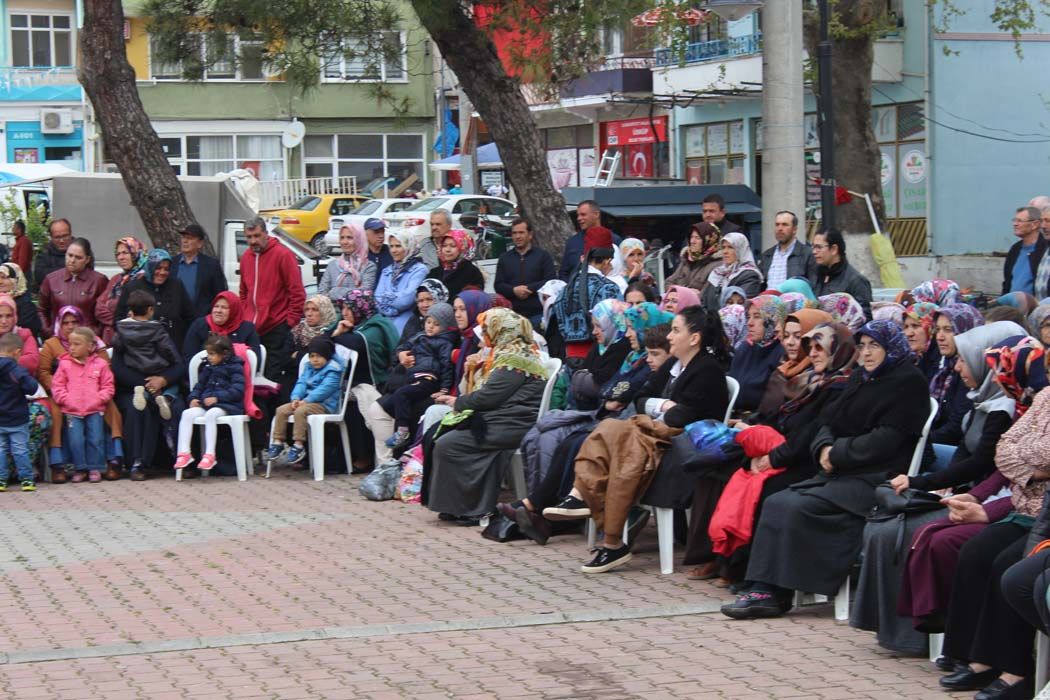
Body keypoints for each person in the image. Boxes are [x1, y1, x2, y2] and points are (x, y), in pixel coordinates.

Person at [721, 319, 929, 619]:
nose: (867, 354)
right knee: (779, 500)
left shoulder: (909, 383)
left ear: (891, 348)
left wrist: (838, 454)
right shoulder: (860, 378)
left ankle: (772, 591)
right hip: (840, 470)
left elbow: (887, 440)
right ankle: (765, 588)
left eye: (875, 346)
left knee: (793, 505)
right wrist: (825, 449)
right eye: (863, 346)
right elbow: (827, 421)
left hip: (874, 477)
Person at [850, 322, 1025, 657]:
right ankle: (891, 629)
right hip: (974, 493)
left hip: (993, 500)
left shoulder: (1005, 410)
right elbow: (965, 455)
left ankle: (926, 636)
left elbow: (988, 467)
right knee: (884, 526)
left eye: (965, 359)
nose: (958, 367)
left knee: (914, 531)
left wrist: (926, 483)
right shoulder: (985, 400)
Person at [544, 305, 731, 573]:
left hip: (682, 446)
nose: (670, 336)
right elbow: (641, 398)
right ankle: (585, 503)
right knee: (609, 429)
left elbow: (682, 417)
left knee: (625, 454)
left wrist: (659, 408)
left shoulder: (707, 369)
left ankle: (600, 523)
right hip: (655, 434)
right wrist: (663, 405)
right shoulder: (673, 365)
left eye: (676, 330)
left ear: (695, 338)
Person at [425, 308, 548, 523]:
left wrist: (458, 402)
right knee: (439, 435)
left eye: (488, 326)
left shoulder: (514, 358)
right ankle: (458, 505)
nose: (484, 332)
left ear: (502, 329)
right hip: (502, 418)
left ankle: (472, 507)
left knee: (449, 444)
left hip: (513, 423)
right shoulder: (507, 352)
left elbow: (490, 396)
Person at [38, 304, 121, 482]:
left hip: (95, 399)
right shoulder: (52, 345)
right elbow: (44, 372)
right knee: (57, 414)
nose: (70, 326)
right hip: (64, 396)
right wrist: (64, 395)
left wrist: (100, 397)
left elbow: (106, 373)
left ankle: (112, 460)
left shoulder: (94, 343)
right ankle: (59, 465)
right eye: (65, 322)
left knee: (110, 412)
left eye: (74, 321)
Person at [378, 302, 458, 451]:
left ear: (445, 326)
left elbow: (447, 366)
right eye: (428, 322)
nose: (430, 326)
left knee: (402, 395)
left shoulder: (444, 342)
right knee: (393, 400)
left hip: (428, 379)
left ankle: (403, 432)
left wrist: (445, 389)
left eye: (436, 324)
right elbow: (403, 346)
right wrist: (402, 353)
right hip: (414, 377)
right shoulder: (420, 337)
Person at [239, 217, 306, 386]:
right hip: (251, 329)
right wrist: (244, 316)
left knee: (271, 378)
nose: (253, 241)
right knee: (250, 376)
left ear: (266, 234)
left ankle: (270, 412)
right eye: (249, 237)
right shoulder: (246, 257)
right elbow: (243, 292)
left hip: (276, 326)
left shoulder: (283, 255)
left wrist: (289, 323)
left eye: (257, 235)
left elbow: (297, 293)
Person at [266, 336, 345, 467]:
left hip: (324, 404)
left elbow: (325, 389)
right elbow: (301, 383)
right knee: (281, 410)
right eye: (312, 356)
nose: (315, 360)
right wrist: (296, 398)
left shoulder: (333, 370)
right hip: (305, 401)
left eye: (319, 356)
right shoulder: (308, 367)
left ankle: (298, 445)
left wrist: (307, 400)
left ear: (327, 356)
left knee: (301, 412)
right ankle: (278, 441)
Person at [173, 334, 245, 473]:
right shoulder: (208, 368)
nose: (210, 357)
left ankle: (210, 454)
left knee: (211, 414)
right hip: (206, 403)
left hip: (227, 405)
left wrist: (217, 398)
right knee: (187, 414)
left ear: (224, 354)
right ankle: (184, 453)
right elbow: (199, 386)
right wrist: (193, 398)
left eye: (212, 354)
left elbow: (237, 391)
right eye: (208, 354)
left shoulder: (235, 367)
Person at [51, 326, 115, 484]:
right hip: (72, 411)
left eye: (77, 344)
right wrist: (66, 399)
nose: (72, 347)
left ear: (90, 347)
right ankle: (80, 468)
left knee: (96, 439)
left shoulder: (100, 364)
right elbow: (57, 386)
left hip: (95, 409)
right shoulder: (64, 364)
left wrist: (100, 398)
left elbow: (108, 385)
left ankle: (95, 467)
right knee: (75, 440)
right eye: (70, 344)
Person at [551, 227, 622, 363]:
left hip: (570, 360)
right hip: (601, 360)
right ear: (607, 261)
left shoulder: (563, 291)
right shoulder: (609, 288)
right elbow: (619, 329)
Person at [114, 289, 182, 420]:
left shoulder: (121, 329)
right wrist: (159, 381)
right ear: (150, 310)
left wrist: (153, 382)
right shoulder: (157, 329)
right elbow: (171, 354)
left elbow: (116, 345)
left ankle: (142, 393)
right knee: (174, 388)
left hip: (137, 376)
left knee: (142, 396)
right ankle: (166, 398)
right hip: (156, 371)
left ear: (131, 310)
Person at [115, 249, 195, 349]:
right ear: (149, 267)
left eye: (166, 269)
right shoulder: (132, 288)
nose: (162, 272)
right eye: (158, 268)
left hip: (173, 348)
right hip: (141, 350)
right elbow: (119, 320)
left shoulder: (176, 286)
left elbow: (190, 317)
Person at [570, 299, 631, 411]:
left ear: (613, 323)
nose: (594, 332)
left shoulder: (624, 346)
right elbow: (584, 371)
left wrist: (582, 378)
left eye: (599, 326)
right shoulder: (601, 345)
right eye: (594, 326)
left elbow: (601, 380)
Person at [729, 295, 787, 414]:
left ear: (772, 320)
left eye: (757, 316)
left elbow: (771, 404)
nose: (750, 323)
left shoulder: (781, 353)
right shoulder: (744, 348)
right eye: (748, 317)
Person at [494, 218, 556, 327]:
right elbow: (498, 284)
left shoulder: (542, 256)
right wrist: (514, 290)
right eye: (514, 233)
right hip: (512, 315)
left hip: (538, 314)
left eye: (521, 232)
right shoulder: (505, 258)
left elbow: (550, 281)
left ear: (530, 235)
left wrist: (529, 289)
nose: (517, 236)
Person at [37, 237, 108, 333]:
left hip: (88, 340)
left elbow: (106, 312)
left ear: (87, 259)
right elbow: (41, 310)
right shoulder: (51, 279)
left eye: (78, 257)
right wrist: (49, 330)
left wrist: (95, 332)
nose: (72, 260)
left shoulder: (99, 280)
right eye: (70, 255)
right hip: (58, 339)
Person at [0, 332, 39, 492]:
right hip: (17, 417)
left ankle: (1, 480)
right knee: (20, 449)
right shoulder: (16, 370)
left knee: (0, 449)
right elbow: (32, 388)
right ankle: (26, 480)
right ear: (16, 352)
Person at [375, 230, 429, 334]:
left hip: (406, 318)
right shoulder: (387, 270)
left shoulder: (419, 269)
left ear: (408, 246)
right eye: (391, 246)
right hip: (384, 317)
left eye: (398, 246)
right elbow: (377, 298)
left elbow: (406, 300)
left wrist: (387, 299)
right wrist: (392, 307)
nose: (393, 250)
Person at [95, 237, 147, 345]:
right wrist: (116, 320)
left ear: (136, 253)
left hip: (132, 339)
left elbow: (133, 312)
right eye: (118, 254)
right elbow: (99, 309)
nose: (121, 257)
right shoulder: (116, 280)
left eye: (125, 253)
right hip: (110, 338)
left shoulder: (143, 280)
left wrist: (115, 314)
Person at [811, 229, 873, 319]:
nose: (814, 252)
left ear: (834, 249)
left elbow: (865, 317)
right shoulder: (816, 274)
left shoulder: (856, 280)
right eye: (813, 247)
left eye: (819, 247)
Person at [182, 291, 261, 362]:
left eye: (224, 307)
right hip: (205, 373)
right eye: (216, 306)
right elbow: (189, 357)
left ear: (234, 310)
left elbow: (256, 360)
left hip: (237, 374)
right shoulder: (200, 325)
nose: (218, 311)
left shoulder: (247, 329)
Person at [172, 224, 227, 319]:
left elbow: (220, 294)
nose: (185, 241)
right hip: (176, 321)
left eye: (190, 238)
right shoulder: (172, 263)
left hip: (201, 321)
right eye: (183, 237)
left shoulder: (211, 266)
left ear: (200, 244)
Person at [701, 232, 764, 310]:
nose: (725, 252)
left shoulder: (750, 275)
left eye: (730, 247)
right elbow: (704, 302)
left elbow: (741, 306)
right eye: (723, 247)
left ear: (740, 249)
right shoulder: (717, 273)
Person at [758, 210, 816, 289]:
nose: (780, 228)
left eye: (785, 225)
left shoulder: (807, 254)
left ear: (794, 229)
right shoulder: (767, 255)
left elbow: (813, 285)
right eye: (777, 225)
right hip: (769, 300)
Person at [318, 224, 377, 301]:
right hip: (333, 311)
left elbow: (364, 293)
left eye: (350, 238)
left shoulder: (368, 266)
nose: (345, 242)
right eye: (342, 238)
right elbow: (321, 293)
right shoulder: (332, 265)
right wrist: (351, 292)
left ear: (359, 240)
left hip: (356, 311)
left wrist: (334, 292)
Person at [665, 222, 722, 295]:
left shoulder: (718, 266)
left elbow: (706, 295)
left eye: (697, 238)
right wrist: (687, 292)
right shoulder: (686, 260)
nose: (692, 241)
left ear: (710, 240)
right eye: (691, 237)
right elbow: (667, 283)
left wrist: (677, 290)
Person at [427, 229, 484, 300]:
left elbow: (471, 301)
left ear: (463, 248)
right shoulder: (434, 273)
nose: (447, 250)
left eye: (453, 246)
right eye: (444, 246)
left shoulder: (472, 272)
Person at [1003, 205, 1048, 295]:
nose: (1015, 224)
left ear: (1034, 224)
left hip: (1037, 306)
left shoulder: (1045, 249)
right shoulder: (1015, 249)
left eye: (1020, 221)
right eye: (1014, 220)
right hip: (1012, 306)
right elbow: (1007, 282)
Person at [399, 279, 448, 344]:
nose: (425, 305)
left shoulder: (448, 322)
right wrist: (400, 353)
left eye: (429, 299)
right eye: (421, 301)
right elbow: (401, 345)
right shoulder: (414, 320)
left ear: (439, 298)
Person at [0, 263, 41, 338]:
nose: (0, 282)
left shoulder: (26, 306)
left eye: (4, 277)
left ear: (16, 279)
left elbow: (28, 331)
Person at [291, 295, 338, 359]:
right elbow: (285, 358)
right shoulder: (298, 330)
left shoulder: (332, 333)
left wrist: (299, 355)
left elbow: (323, 359)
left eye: (315, 309)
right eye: (307, 309)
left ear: (324, 312)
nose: (309, 314)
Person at [32, 218, 73, 291]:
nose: (61, 241)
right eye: (57, 237)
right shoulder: (44, 252)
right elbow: (39, 276)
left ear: (70, 234)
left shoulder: (81, 249)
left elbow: (87, 272)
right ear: (51, 237)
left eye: (65, 236)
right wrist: (69, 270)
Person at [363, 218, 393, 286]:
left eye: (382, 232)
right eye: (376, 232)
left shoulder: (392, 251)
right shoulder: (361, 254)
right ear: (365, 234)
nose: (381, 236)